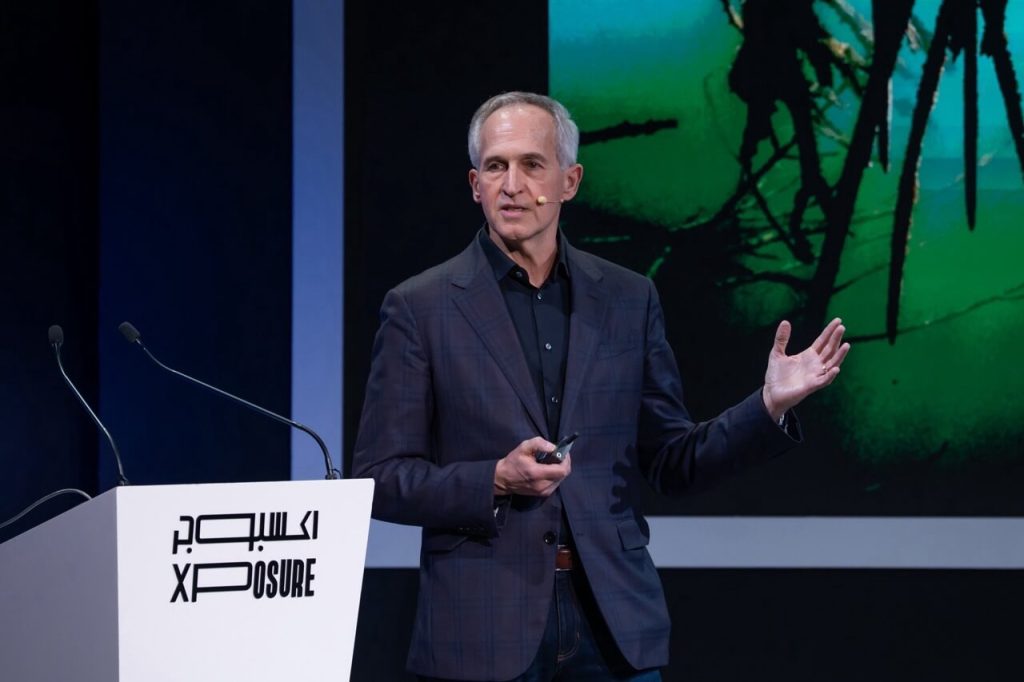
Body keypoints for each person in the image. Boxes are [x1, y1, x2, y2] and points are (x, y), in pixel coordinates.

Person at [352, 91, 849, 682]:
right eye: (495, 166)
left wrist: (766, 407)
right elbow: (379, 480)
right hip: (481, 628)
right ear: (474, 184)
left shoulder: (629, 298)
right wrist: (495, 478)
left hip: (613, 629)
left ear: (570, 181)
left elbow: (672, 462)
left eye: (532, 164)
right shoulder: (420, 307)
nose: (512, 185)